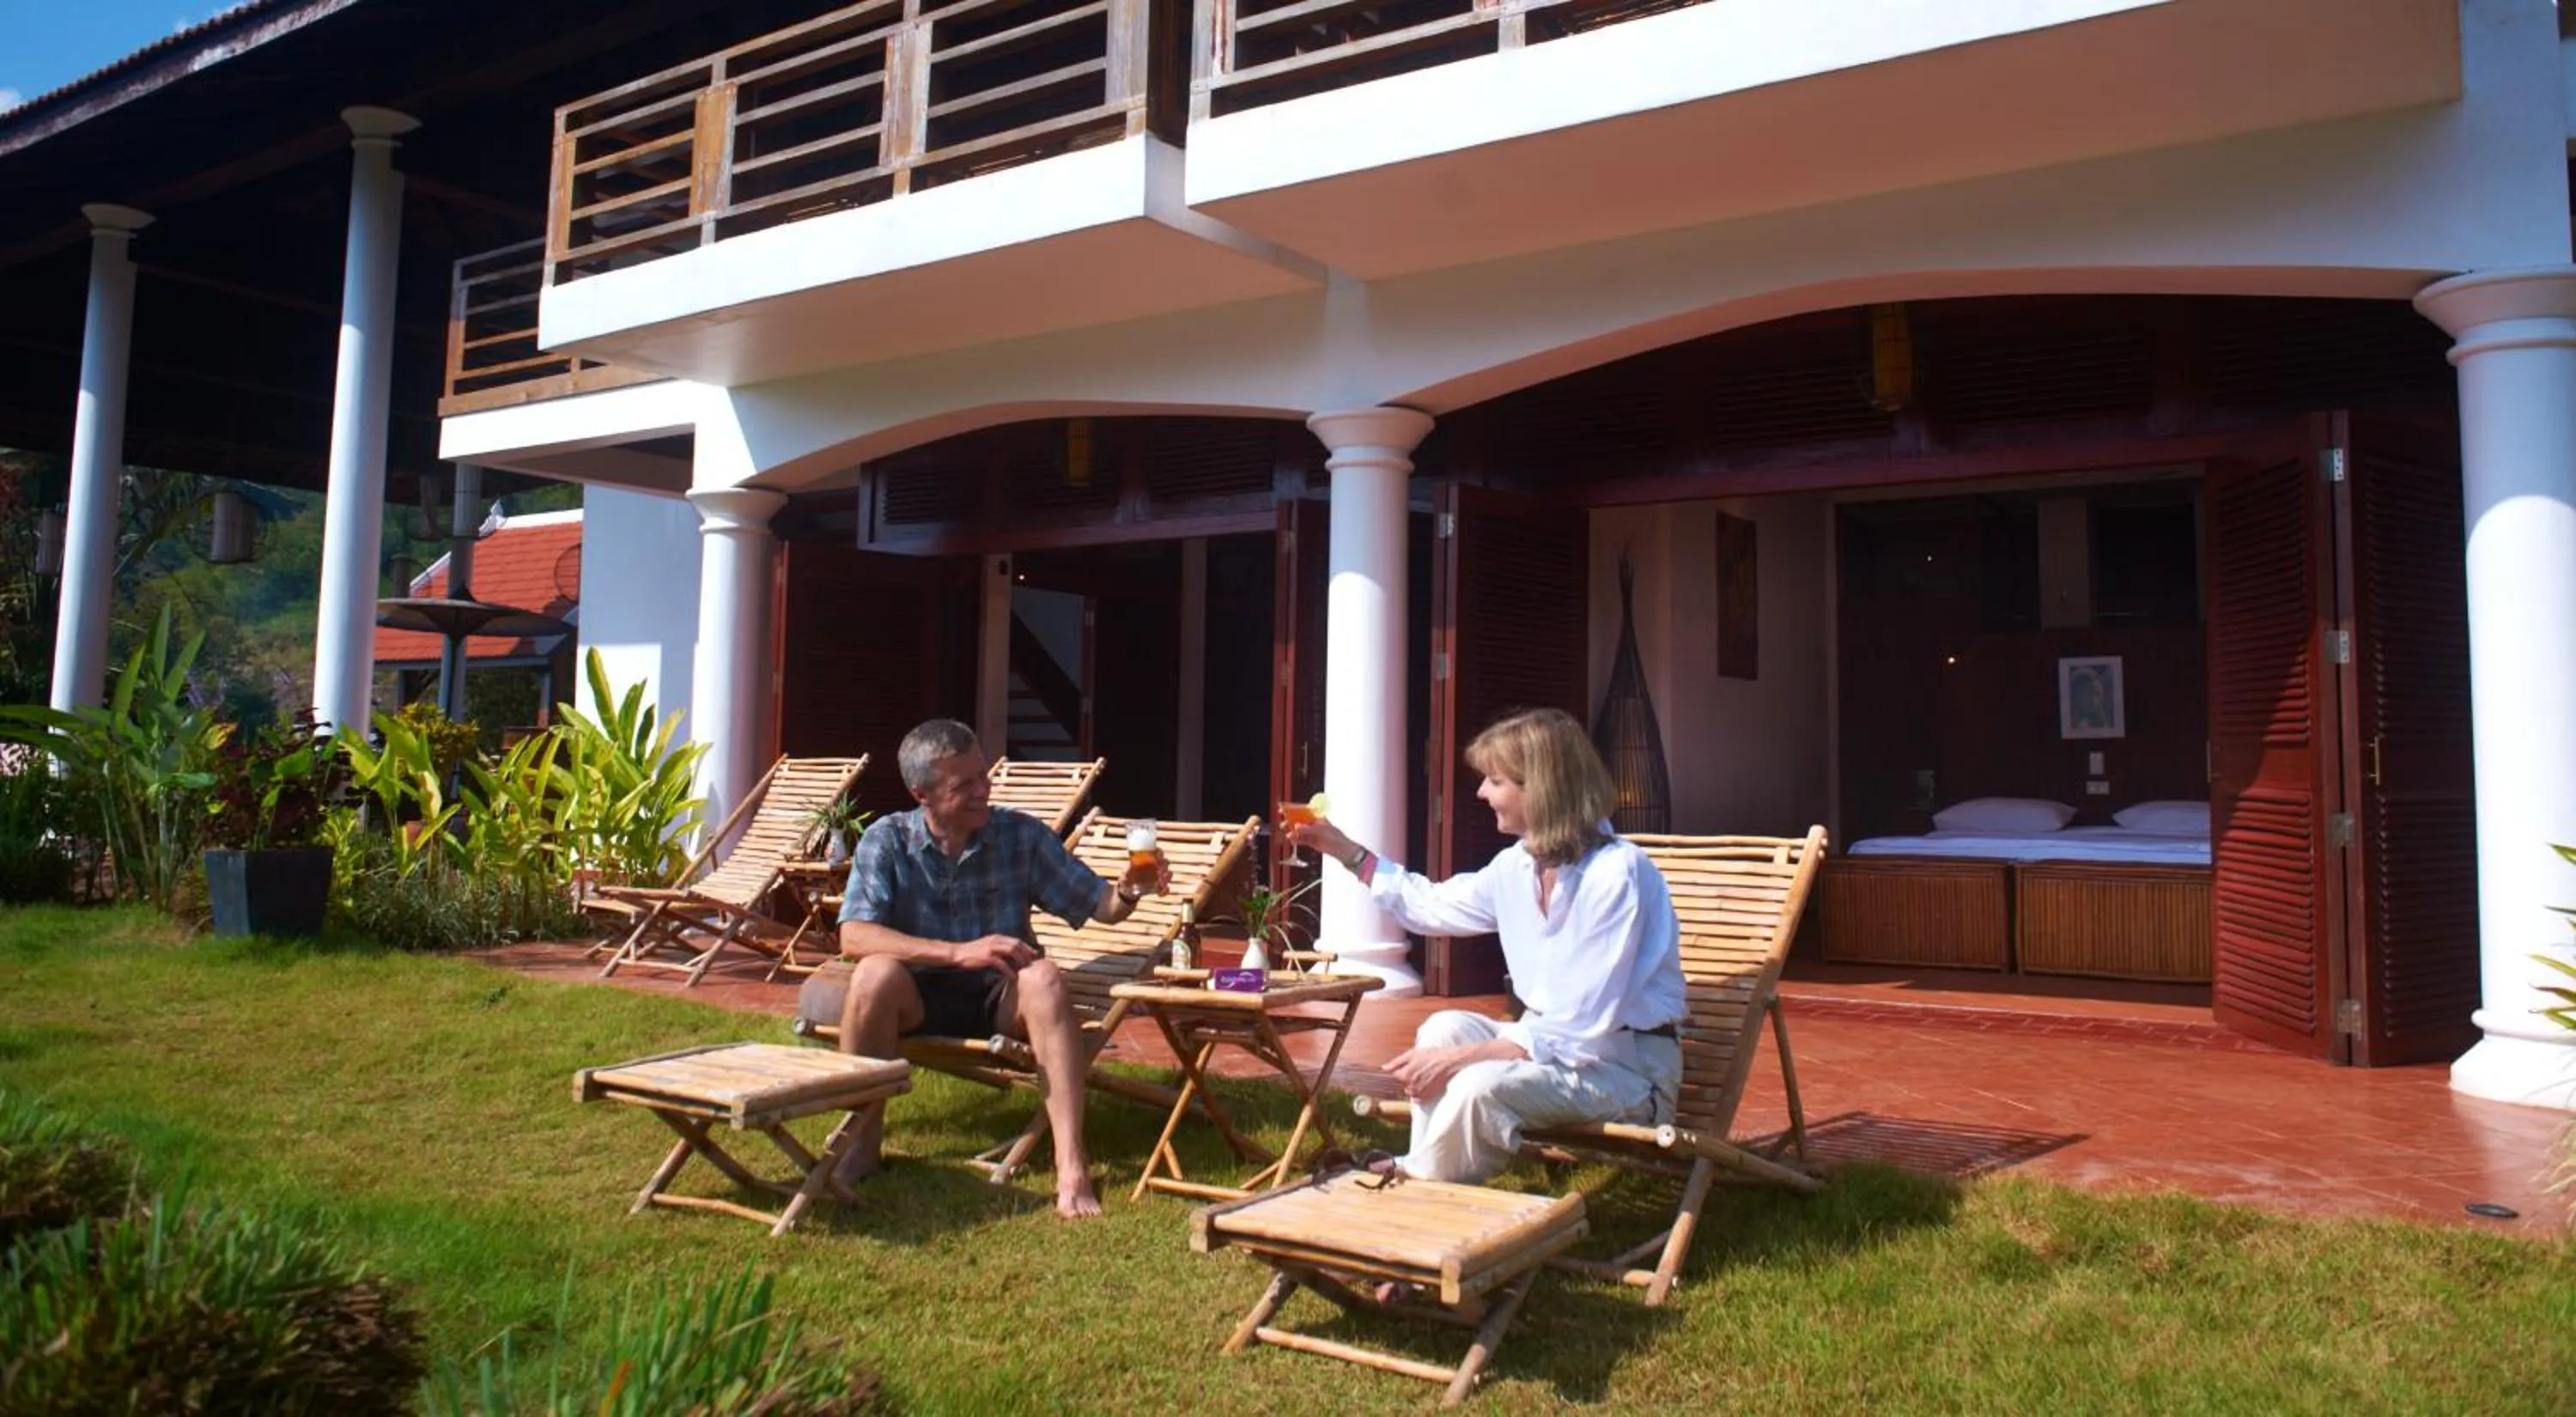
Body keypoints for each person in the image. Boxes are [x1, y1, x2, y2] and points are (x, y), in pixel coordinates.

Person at [1290, 707, 1685, 1184]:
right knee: (1444, 1026)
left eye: (1495, 780)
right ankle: (1425, 1169)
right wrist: (1347, 851)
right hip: (1558, 1052)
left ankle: (1419, 1187)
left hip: (1624, 1071)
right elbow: (1430, 906)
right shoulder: (1517, 866)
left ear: (1540, 787)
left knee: (1477, 1082)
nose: (1480, 792)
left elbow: (1580, 1026)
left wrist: (1460, 1061)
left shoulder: (1616, 874)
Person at [810, 719, 1161, 1219]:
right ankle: (862, 1147)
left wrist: (1128, 889)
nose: (983, 791)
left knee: (1043, 977)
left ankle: (1071, 1164)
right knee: (873, 974)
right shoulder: (886, 840)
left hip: (1000, 996)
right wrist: (956, 953)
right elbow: (854, 937)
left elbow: (1099, 905)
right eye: (964, 785)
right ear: (922, 794)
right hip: (917, 996)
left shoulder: (1019, 836)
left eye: (983, 776)